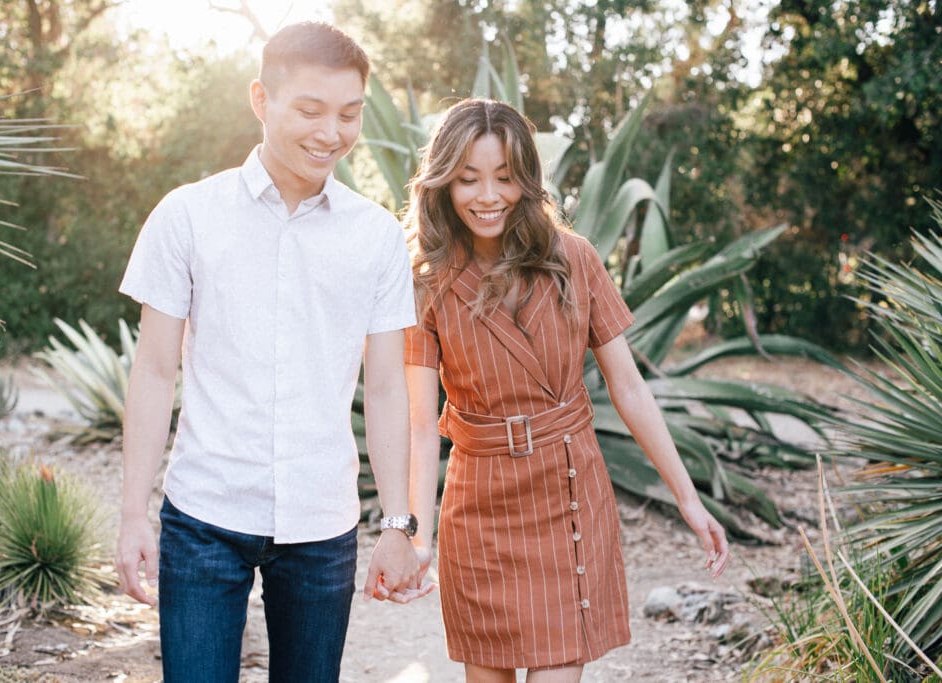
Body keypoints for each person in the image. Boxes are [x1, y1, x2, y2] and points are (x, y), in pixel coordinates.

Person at [114, 22, 429, 683]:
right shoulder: (188, 216)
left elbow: (387, 389)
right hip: (204, 515)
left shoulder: (374, 237)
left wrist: (399, 522)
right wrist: (132, 512)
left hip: (322, 520)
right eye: (310, 110)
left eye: (349, 114)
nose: (331, 133)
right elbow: (154, 371)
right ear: (261, 99)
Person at [400, 98, 730, 682]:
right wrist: (418, 538)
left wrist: (688, 499)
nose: (487, 196)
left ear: (527, 180)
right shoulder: (427, 282)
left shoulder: (574, 259)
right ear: (444, 182)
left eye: (504, 177)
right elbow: (424, 426)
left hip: (567, 493)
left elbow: (629, 389)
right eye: (468, 179)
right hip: (479, 508)